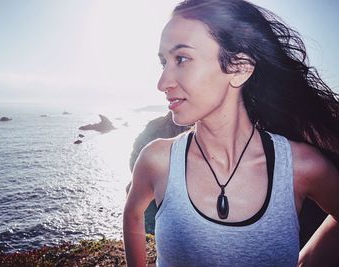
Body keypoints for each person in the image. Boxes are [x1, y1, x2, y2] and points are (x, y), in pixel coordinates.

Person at [123, 0, 339, 266]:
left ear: (239, 68)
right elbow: (132, 214)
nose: (162, 83)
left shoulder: (300, 167)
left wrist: (306, 261)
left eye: (181, 59)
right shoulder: (156, 160)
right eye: (163, 62)